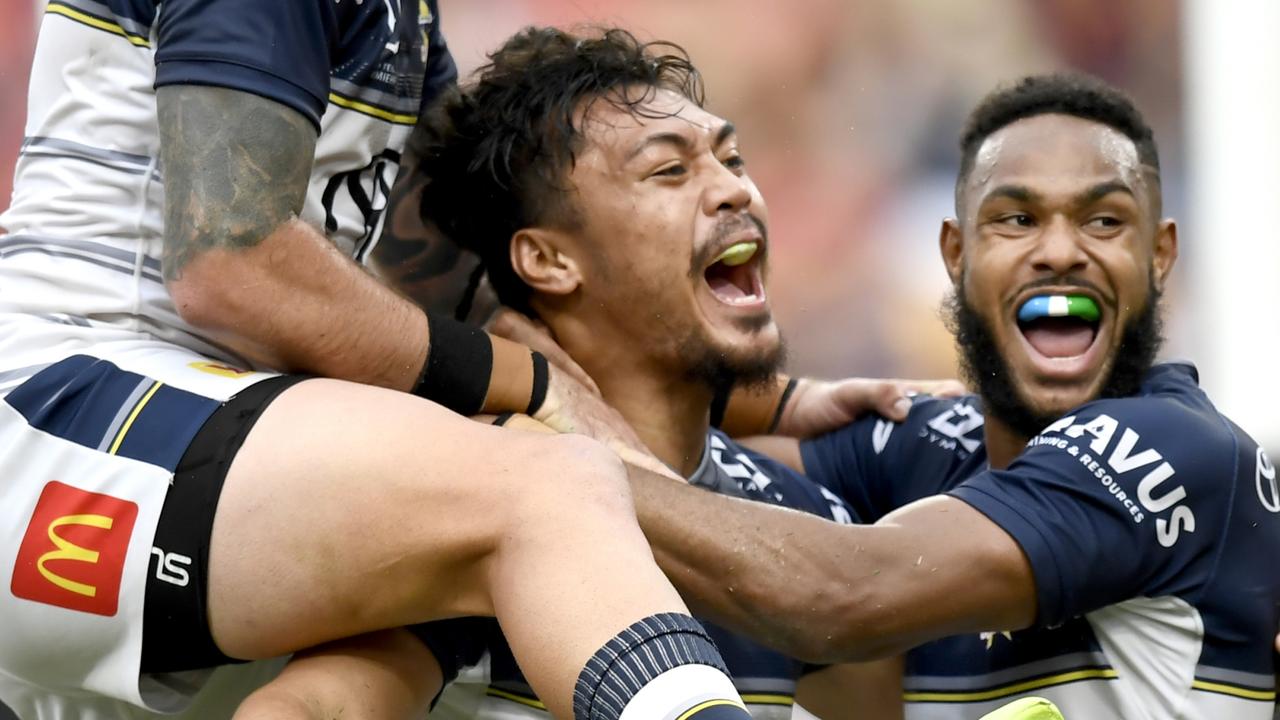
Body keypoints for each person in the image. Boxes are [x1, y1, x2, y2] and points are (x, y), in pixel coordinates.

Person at [0, 3, 784, 719]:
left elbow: (452, 282)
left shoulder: (403, 19)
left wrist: (778, 400)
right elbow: (230, 264)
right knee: (542, 486)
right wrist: (533, 386)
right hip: (57, 403)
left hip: (185, 441)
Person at [233, 26, 949, 720]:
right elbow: (309, 706)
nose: (734, 192)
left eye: (731, 160)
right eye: (669, 170)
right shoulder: (476, 499)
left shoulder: (801, 521)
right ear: (547, 260)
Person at [625, 74, 1280, 718]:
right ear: (956, 252)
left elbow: (841, 591)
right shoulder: (934, 446)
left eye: (1104, 220)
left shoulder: (1182, 449)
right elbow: (672, 428)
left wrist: (587, 474)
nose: (1058, 251)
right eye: (1017, 219)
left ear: (1160, 256)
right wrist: (785, 399)